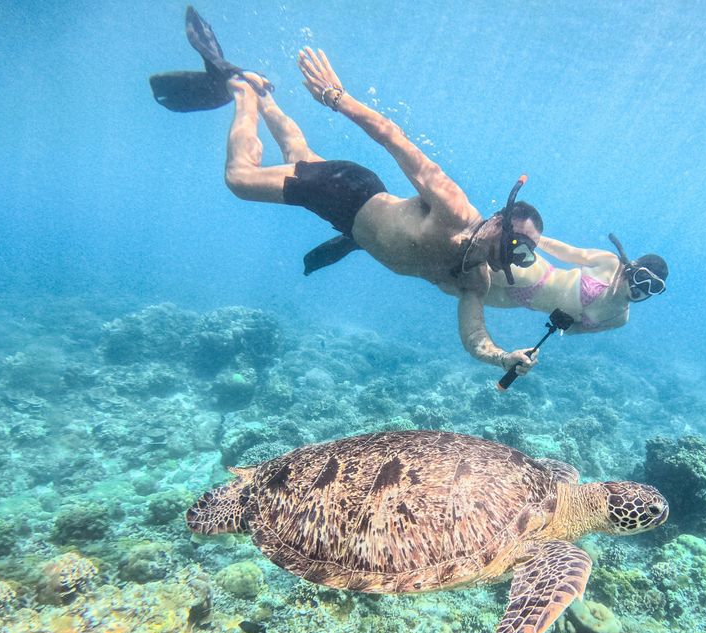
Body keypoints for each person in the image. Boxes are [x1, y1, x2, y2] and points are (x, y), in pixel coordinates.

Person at [150, 7, 542, 376]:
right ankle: (241, 88)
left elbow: (474, 337)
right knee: (239, 178)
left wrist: (503, 358)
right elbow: (395, 139)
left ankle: (262, 93)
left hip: (353, 224)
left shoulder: (474, 281)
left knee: (299, 154)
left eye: (523, 255)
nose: (511, 255)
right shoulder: (454, 208)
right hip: (347, 192)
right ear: (498, 219)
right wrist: (336, 97)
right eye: (515, 242)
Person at [484, 234, 668, 333]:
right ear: (632, 269)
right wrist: (530, 236)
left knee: (463, 288)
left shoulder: (619, 318)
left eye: (654, 287)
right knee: (473, 266)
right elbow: (565, 252)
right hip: (534, 275)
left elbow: (575, 331)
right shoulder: (611, 263)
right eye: (643, 277)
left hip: (519, 301)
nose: (643, 288)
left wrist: (567, 326)